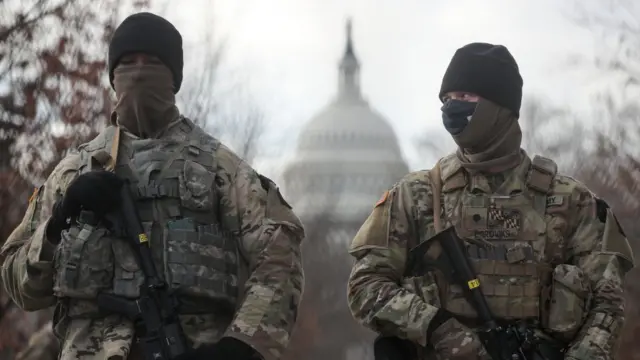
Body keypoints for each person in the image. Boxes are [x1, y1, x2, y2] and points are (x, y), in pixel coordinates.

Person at [1, 12, 305, 360]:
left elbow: (281, 258)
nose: (140, 72)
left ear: (173, 77)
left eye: (153, 63)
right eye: (128, 62)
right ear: (113, 76)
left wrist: (240, 345)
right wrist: (59, 219)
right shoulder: (73, 172)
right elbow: (19, 285)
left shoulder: (220, 169)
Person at [346, 42, 634, 360]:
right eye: (448, 99)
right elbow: (365, 286)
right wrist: (438, 328)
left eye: (466, 97)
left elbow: (606, 305)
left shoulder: (569, 202)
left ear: (500, 106)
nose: (452, 108)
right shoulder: (416, 196)